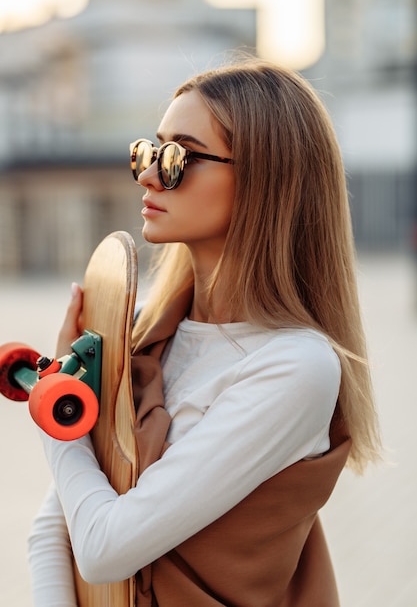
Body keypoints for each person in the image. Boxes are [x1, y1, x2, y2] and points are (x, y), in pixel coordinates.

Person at [28, 57, 381, 606]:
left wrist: (57, 406)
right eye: (149, 151)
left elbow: (103, 548)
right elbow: (56, 527)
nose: (148, 174)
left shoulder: (294, 367)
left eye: (177, 158)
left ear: (267, 179)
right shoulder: (147, 332)